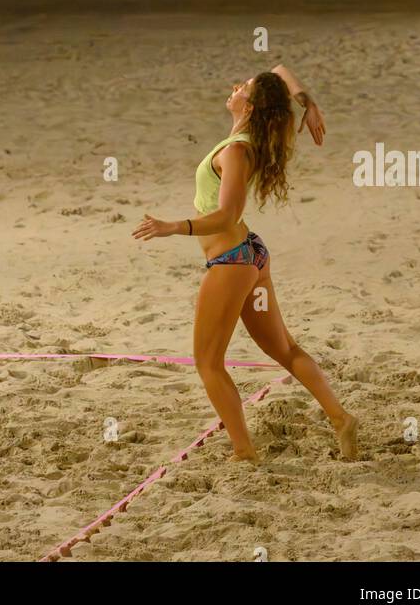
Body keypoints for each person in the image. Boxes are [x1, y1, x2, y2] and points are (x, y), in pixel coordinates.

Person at [133, 64, 358, 462]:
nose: (235, 87)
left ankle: (243, 451)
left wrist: (174, 227)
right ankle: (340, 419)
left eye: (244, 88)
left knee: (208, 362)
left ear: (250, 107)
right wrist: (309, 103)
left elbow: (228, 215)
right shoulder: (244, 140)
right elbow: (279, 70)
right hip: (250, 257)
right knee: (285, 349)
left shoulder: (237, 150)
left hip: (232, 262)